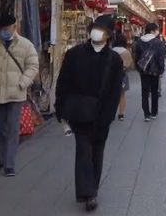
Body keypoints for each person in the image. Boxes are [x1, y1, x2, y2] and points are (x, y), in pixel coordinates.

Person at [55, 15, 124, 212]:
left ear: (109, 35)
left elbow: (114, 90)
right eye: (95, 28)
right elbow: (63, 82)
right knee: (83, 150)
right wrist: (60, 107)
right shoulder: (74, 54)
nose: (97, 32)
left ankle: (92, 187)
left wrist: (109, 115)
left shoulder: (114, 60)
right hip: (79, 111)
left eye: (102, 29)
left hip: (102, 112)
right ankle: (88, 193)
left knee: (97, 152)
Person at [0, 13, 39, 177]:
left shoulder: (26, 45)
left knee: (12, 129)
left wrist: (23, 82)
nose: (3, 31)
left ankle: (10, 164)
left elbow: (33, 66)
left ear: (14, 27)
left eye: (6, 28)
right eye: (0, 29)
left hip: (16, 93)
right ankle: (2, 160)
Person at [133, 22, 166, 121]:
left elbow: (136, 57)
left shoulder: (139, 42)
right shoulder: (158, 42)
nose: (158, 31)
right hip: (155, 71)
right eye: (157, 30)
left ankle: (146, 114)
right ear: (152, 31)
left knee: (144, 92)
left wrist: (138, 68)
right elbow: (161, 58)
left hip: (143, 70)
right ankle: (154, 112)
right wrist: (161, 70)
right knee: (154, 91)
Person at [112, 35, 134, 121]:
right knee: (122, 95)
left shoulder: (111, 51)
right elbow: (130, 65)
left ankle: (111, 113)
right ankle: (121, 114)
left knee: (111, 95)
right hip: (122, 74)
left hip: (111, 76)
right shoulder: (126, 52)